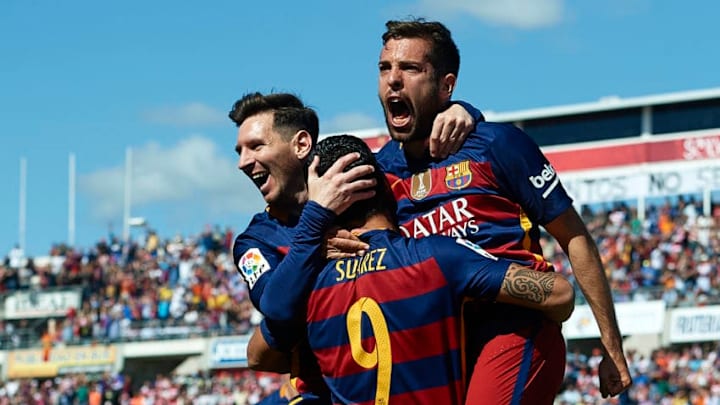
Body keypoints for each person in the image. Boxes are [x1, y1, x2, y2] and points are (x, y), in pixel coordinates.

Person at [372, 18, 632, 403]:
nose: (393, 79)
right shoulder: (380, 172)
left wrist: (612, 350)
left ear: (446, 86)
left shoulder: (498, 145)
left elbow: (574, 237)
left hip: (515, 327)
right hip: (438, 344)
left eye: (411, 68)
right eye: (385, 68)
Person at [257, 134, 575, 405]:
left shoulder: (307, 287)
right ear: (386, 189)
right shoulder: (437, 258)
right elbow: (559, 295)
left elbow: (257, 355)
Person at [229, 92, 478, 404]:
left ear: (301, 145)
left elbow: (416, 142)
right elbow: (277, 308)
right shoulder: (256, 241)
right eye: (239, 151)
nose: (243, 162)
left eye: (255, 146)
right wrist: (315, 229)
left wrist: (462, 111)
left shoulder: (362, 177)